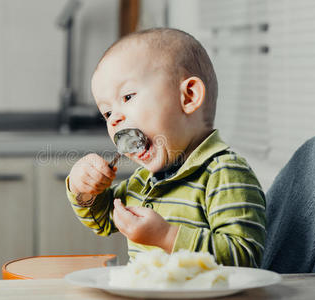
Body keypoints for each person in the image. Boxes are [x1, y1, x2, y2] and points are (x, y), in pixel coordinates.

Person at [65, 28, 266, 267]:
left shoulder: (225, 174)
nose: (113, 119)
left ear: (188, 97)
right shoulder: (144, 181)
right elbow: (102, 220)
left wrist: (167, 236)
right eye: (107, 112)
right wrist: (84, 187)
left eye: (127, 97)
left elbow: (245, 258)